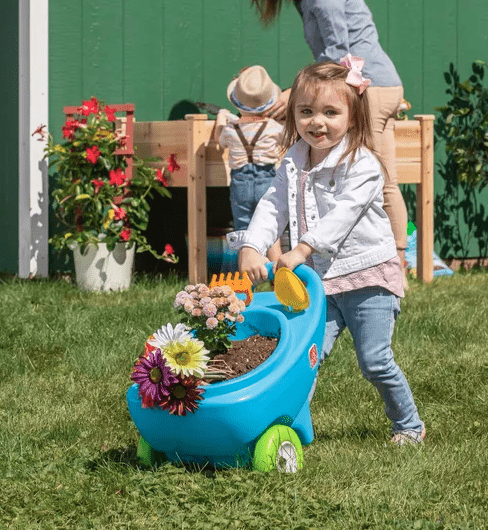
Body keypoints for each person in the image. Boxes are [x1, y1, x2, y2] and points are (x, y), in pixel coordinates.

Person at [227, 60, 425, 445]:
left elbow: (344, 214)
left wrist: (302, 248)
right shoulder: (293, 160)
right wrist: (252, 246)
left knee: (375, 361)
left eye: (330, 112)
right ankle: (286, 425)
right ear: (293, 115)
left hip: (368, 276)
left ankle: (409, 425)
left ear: (352, 117)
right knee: (305, 357)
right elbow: (272, 204)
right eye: (306, 111)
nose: (317, 122)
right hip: (323, 283)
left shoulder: (363, 164)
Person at [251, 0, 409, 286]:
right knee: (385, 182)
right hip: (383, 82)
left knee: (361, 175)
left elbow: (338, 51)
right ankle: (399, 267)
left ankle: (386, 271)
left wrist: (298, 94)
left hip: (365, 86)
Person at [214, 65, 284, 261]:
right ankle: (277, 274)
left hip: (240, 183)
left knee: (243, 230)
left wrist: (221, 118)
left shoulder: (230, 130)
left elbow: (219, 142)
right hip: (267, 179)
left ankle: (246, 281)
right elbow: (286, 141)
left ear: (237, 103)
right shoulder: (274, 128)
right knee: (271, 226)